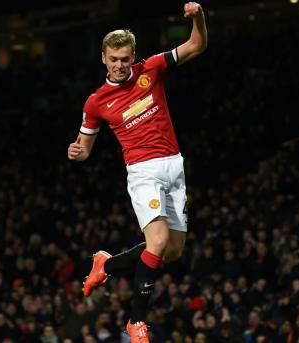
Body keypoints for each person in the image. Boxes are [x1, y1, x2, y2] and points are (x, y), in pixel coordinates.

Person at [66, 2, 207, 342]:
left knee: (172, 250)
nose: (119, 65)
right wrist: (77, 153)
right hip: (142, 171)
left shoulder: (152, 68)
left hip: (174, 166)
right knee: (156, 242)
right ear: (103, 58)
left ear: (133, 57)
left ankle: (107, 265)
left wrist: (198, 18)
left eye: (124, 59)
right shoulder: (96, 102)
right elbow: (83, 146)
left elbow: (197, 45)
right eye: (113, 59)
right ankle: (136, 322)